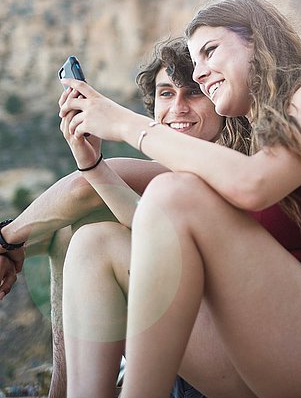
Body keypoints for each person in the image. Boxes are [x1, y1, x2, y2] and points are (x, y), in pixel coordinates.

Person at [59, 0, 301, 398]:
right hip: (272, 336)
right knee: (95, 244)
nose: (200, 73)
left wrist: (128, 125)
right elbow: (160, 239)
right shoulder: (249, 145)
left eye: (209, 52)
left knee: (174, 191)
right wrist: (93, 163)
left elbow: (253, 185)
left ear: (257, 42)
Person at [0, 37, 249, 398]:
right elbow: (115, 208)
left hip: (239, 360)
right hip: (199, 349)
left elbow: (84, 189)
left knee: (93, 235)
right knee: (74, 230)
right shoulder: (179, 168)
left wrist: (9, 240)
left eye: (193, 94)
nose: (177, 107)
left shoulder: (228, 162)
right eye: (166, 94)